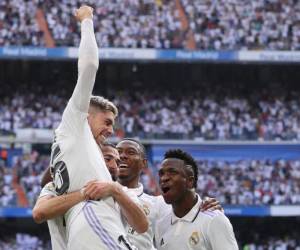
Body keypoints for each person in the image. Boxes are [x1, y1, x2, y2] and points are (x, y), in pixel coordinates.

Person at [48, 5, 146, 249]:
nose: (111, 131)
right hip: (96, 225)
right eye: (107, 122)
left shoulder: (80, 151)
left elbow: (143, 226)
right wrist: (87, 20)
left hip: (94, 230)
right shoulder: (74, 124)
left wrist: (114, 189)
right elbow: (89, 66)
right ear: (86, 117)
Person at [33, 142, 148, 249]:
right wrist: (84, 193)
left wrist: (115, 190)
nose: (114, 166)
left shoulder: (122, 191)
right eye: (107, 159)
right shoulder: (56, 186)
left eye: (118, 163)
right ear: (92, 159)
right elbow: (39, 213)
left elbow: (142, 226)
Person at [116, 139, 223, 250]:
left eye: (131, 152)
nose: (122, 156)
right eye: (118, 152)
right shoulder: (99, 194)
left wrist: (207, 207)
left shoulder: (158, 203)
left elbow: (192, 216)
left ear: (144, 163)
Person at [155, 149, 238, 250]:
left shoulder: (214, 220)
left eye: (172, 172)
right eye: (161, 173)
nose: (164, 178)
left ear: (190, 181)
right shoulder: (161, 225)